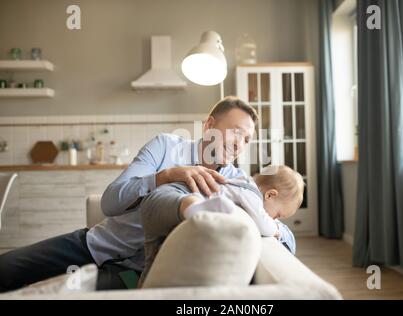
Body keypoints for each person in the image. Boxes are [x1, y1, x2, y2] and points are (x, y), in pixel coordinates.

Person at [0, 96, 296, 292]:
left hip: (136, 274)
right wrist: (166, 176)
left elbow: (274, 226)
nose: (240, 144)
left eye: (247, 139)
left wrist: (281, 231)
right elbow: (110, 202)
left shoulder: (236, 182)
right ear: (209, 125)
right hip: (95, 245)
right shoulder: (166, 146)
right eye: (235, 132)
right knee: (9, 269)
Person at [138, 165, 305, 285]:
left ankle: (141, 291)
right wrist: (276, 229)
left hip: (165, 199)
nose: (274, 219)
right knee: (151, 257)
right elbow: (264, 225)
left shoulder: (242, 182)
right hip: (174, 196)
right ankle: (198, 209)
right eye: (277, 215)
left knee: (152, 260)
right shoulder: (252, 195)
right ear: (270, 195)